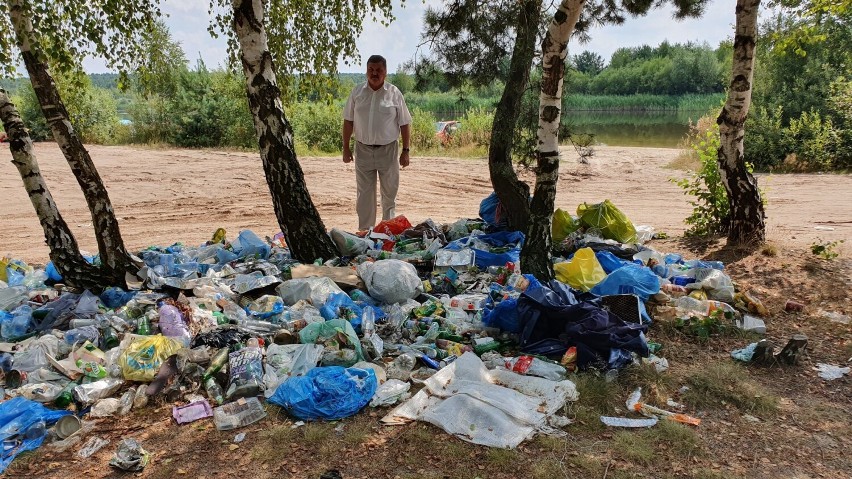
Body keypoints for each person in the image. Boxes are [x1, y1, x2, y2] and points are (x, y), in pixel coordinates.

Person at [342, 54, 412, 231]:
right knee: (364, 195)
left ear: (385, 72)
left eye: (378, 70)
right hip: (363, 150)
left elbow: (404, 122)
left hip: (388, 150)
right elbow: (348, 121)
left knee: (389, 194)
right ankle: (366, 232)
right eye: (370, 70)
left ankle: (387, 232)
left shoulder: (394, 94)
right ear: (366, 71)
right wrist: (345, 148)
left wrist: (406, 150)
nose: (374, 73)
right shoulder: (357, 92)